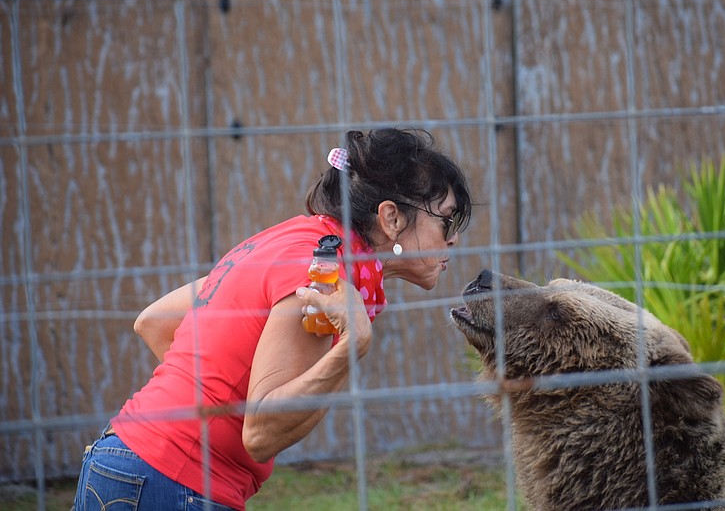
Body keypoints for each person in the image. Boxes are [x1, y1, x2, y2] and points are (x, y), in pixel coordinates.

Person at [72, 128, 473, 510]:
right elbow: (261, 434)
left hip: (118, 461)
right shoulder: (322, 275)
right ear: (391, 218)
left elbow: (155, 321)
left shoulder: (295, 239)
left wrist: (213, 417)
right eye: (446, 221)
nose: (453, 238)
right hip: (172, 484)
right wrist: (355, 342)